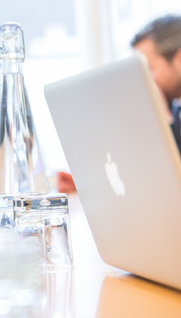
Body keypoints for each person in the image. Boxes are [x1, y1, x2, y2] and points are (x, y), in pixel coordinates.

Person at [57, 14, 181, 193]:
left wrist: (163, 119)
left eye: (149, 70)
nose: (144, 81)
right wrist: (94, 186)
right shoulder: (173, 108)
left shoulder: (169, 111)